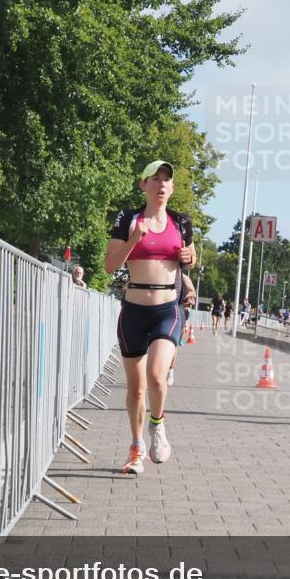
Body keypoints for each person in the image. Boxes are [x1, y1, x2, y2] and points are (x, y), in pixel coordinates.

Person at [105, 160, 195, 474]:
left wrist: (189, 257)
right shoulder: (127, 219)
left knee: (157, 376)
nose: (161, 185)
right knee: (136, 388)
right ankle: (135, 447)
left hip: (166, 309)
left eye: (166, 180)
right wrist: (134, 239)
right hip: (133, 310)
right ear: (143, 185)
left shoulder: (181, 222)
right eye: (154, 179)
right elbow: (109, 265)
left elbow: (191, 256)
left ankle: (157, 426)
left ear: (172, 188)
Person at [167, 272, 196, 386]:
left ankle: (170, 370)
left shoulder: (183, 277)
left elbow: (193, 292)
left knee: (173, 344)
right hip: (157, 310)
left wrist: (188, 297)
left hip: (177, 311)